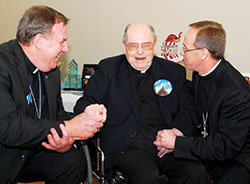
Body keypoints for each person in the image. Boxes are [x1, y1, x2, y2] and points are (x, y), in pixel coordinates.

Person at [74, 22, 211, 184]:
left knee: (196, 175)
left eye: (146, 45)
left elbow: (189, 107)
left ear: (154, 45)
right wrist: (91, 108)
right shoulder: (109, 69)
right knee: (149, 180)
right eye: (133, 46)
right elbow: (84, 102)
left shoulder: (173, 72)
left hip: (166, 145)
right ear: (124, 46)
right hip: (128, 148)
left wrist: (176, 133)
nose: (140, 52)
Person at [0, 5, 106, 184]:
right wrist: (69, 126)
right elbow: (8, 127)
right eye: (62, 41)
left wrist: (64, 140)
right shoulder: (3, 64)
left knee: (72, 161)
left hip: (32, 151)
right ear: (39, 41)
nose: (65, 49)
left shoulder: (51, 71)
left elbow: (58, 117)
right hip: (5, 155)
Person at [154, 20, 250, 184]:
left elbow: (223, 147)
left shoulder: (236, 93)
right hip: (206, 150)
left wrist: (177, 142)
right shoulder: (199, 73)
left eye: (186, 49)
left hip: (234, 160)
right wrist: (178, 131)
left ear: (204, 54)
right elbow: (191, 108)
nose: (182, 53)